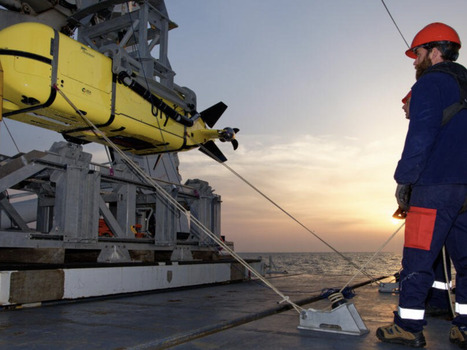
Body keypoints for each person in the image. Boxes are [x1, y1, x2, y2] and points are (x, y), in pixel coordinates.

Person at [376, 22, 467, 348]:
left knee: (417, 260)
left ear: (435, 50)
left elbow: (421, 136)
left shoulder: (430, 83)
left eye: (418, 53)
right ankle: (465, 326)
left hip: (434, 186)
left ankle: (408, 328)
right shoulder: (465, 84)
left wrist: (404, 180)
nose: (415, 61)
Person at [401, 90, 453, 318]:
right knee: (447, 253)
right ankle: (447, 308)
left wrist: (404, 184)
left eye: (406, 103)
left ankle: (410, 325)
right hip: (450, 193)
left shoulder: (427, 126)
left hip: (434, 196)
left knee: (420, 255)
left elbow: (419, 153)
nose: (403, 108)